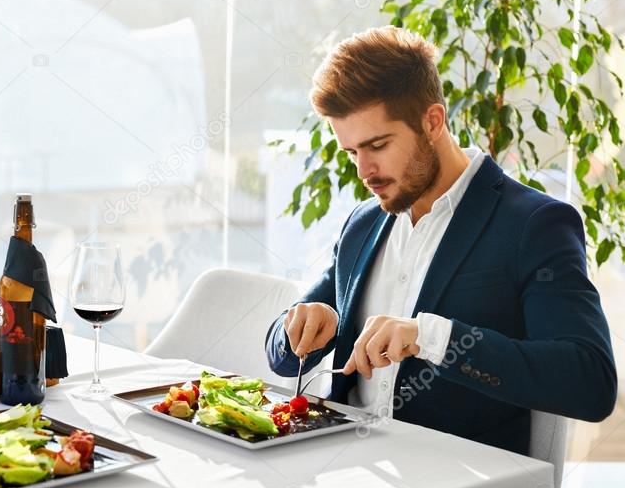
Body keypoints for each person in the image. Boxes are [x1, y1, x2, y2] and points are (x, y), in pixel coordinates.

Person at [265, 25, 618, 455]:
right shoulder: (362, 223)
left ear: (432, 121)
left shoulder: (535, 224)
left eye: (377, 145)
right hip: (340, 466)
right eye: (353, 152)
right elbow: (280, 356)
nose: (364, 171)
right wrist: (299, 326)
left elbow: (589, 383)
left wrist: (432, 338)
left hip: (450, 487)